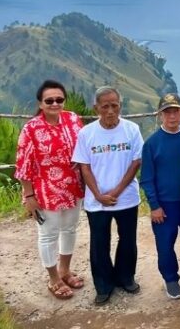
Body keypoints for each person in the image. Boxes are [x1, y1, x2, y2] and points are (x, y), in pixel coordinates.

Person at [72, 86, 144, 306]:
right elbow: (84, 167)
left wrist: (117, 191)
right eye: (106, 106)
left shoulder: (131, 129)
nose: (111, 111)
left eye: (115, 105)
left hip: (127, 198)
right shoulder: (87, 133)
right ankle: (103, 285)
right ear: (97, 108)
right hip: (97, 201)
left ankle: (125, 278)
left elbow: (136, 161)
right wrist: (98, 195)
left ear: (120, 106)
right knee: (99, 243)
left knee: (128, 240)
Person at [14, 80, 85, 300]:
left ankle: (65, 269)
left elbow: (83, 148)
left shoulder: (73, 120)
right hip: (45, 188)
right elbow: (23, 163)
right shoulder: (32, 128)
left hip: (73, 186)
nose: (55, 103)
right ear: (41, 103)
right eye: (49, 100)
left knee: (70, 228)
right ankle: (53, 277)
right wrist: (29, 196)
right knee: (48, 234)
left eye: (59, 99)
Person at [140, 93, 180, 300]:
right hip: (165, 204)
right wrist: (154, 205)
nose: (172, 116)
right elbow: (147, 178)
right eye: (167, 112)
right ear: (160, 115)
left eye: (175, 111)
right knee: (165, 243)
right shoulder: (152, 143)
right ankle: (170, 278)